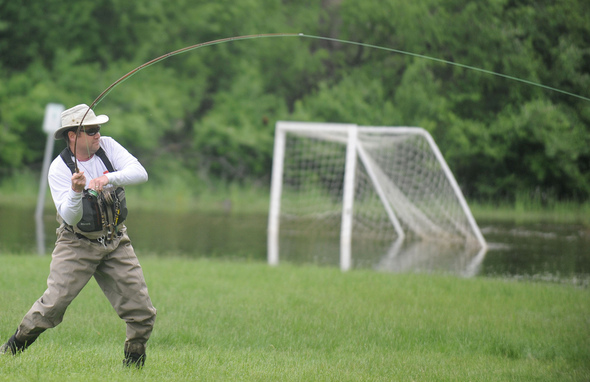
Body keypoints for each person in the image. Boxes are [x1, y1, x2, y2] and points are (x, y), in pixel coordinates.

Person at [0, 104, 157, 368]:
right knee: (52, 306)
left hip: (115, 241)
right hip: (76, 244)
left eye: (98, 129)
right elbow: (70, 217)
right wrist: (76, 191)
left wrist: (105, 179)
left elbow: (140, 173)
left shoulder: (107, 146)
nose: (98, 134)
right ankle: (10, 351)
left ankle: (133, 366)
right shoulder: (58, 169)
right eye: (92, 130)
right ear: (73, 135)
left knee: (141, 311)